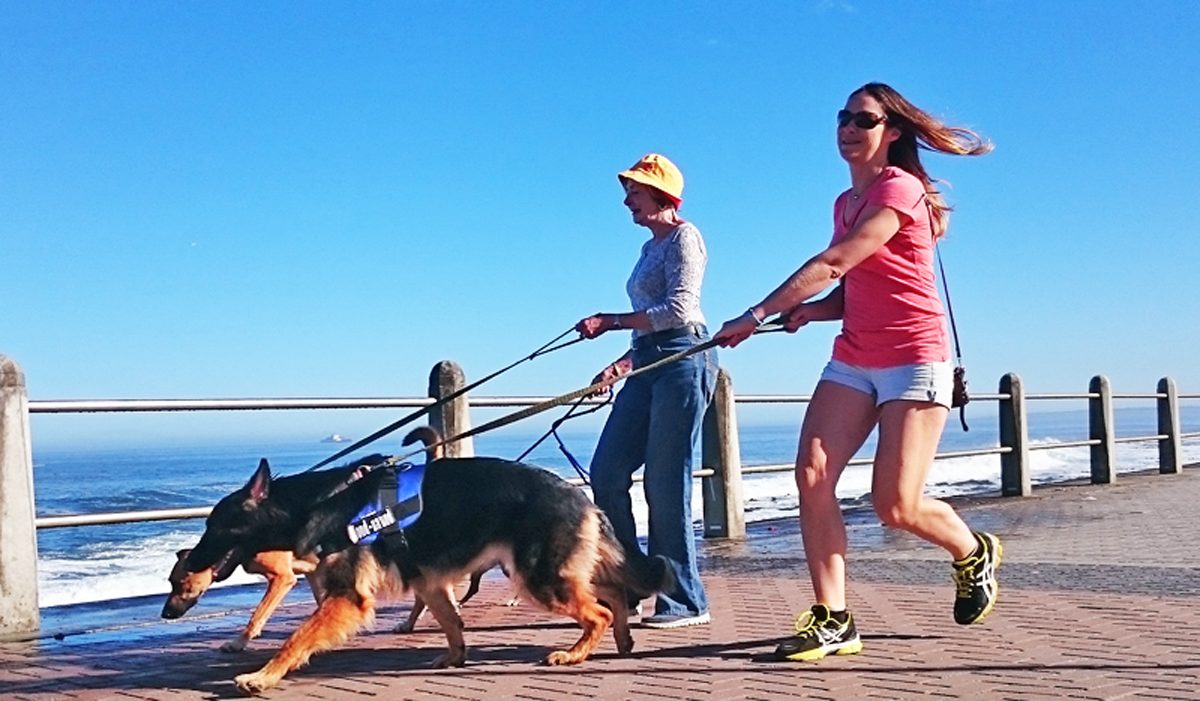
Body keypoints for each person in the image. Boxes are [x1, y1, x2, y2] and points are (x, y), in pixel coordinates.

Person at [714, 83, 997, 661]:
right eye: (842, 117)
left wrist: (755, 313)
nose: (848, 128)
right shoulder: (844, 204)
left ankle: (972, 552)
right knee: (812, 473)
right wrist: (811, 312)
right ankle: (835, 618)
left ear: (890, 132)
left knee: (895, 505)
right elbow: (855, 284)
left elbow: (837, 260)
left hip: (915, 357)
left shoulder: (902, 188)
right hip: (854, 356)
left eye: (862, 120)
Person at [575, 153, 717, 629]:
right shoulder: (646, 251)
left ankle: (684, 600)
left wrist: (611, 320)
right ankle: (632, 580)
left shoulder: (685, 238)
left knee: (665, 480)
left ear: (660, 193)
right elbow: (649, 327)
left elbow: (679, 310)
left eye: (633, 191)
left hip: (684, 358)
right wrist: (622, 362)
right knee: (607, 470)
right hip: (649, 359)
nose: (626, 201)